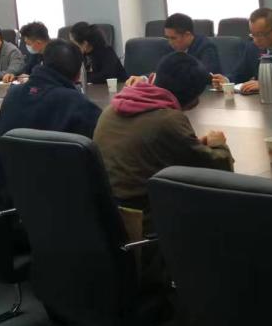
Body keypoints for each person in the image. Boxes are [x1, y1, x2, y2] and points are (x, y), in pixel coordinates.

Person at [95, 51, 233, 227]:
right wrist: (219, 145)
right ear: (193, 101)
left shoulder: (111, 109)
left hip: (107, 216)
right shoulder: (169, 120)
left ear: (154, 77)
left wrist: (194, 143)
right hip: (146, 221)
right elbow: (218, 171)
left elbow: (151, 146)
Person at [0, 40, 103, 191]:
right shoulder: (81, 107)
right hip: (63, 197)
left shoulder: (12, 95)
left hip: (10, 194)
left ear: (43, 63)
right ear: (78, 75)